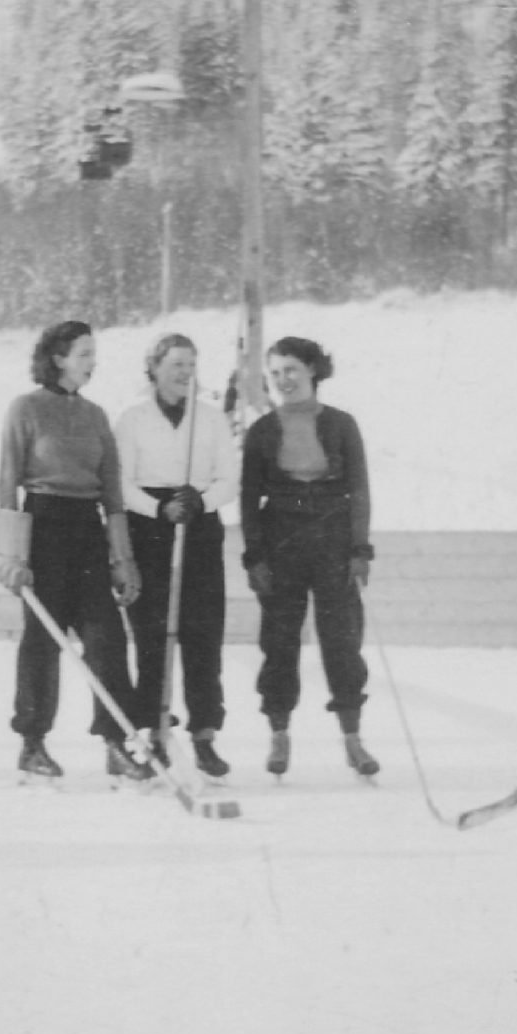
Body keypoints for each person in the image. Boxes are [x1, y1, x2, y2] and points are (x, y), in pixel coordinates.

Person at [0, 319, 146, 782]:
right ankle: (33, 743)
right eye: (83, 354)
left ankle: (116, 742)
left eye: (93, 354)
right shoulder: (26, 409)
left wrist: (122, 560)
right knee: (42, 641)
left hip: (87, 532)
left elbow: (112, 495)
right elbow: (6, 484)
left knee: (108, 640)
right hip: (43, 530)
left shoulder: (97, 416)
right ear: (58, 358)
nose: (92, 362)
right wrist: (11, 555)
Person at [239, 334, 378, 781]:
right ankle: (279, 735)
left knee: (342, 642)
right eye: (276, 374)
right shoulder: (262, 431)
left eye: (292, 371)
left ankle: (353, 740)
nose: (284, 381)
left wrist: (359, 549)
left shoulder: (341, 424)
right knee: (279, 645)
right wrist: (255, 556)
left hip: (333, 541)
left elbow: (359, 490)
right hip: (282, 543)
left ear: (313, 370)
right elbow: (248, 498)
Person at [114, 331, 236, 776]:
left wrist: (200, 502)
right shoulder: (132, 418)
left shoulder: (210, 418)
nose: (185, 373)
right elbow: (121, 483)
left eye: (191, 365)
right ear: (155, 369)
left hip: (198, 524)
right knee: (152, 634)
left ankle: (204, 734)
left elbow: (229, 480)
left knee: (202, 634)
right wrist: (158, 508)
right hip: (150, 527)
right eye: (176, 365)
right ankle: (156, 730)